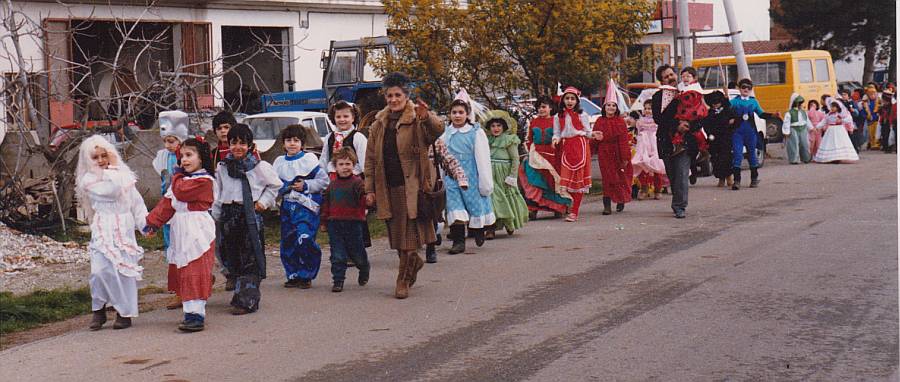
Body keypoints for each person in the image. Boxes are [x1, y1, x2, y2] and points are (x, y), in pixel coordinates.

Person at [364, 72, 444, 299]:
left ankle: (403, 280)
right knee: (399, 238)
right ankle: (413, 264)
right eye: (389, 95)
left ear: (406, 95)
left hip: (413, 187)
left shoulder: (416, 117)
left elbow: (437, 130)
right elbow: (370, 159)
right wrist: (369, 189)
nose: (393, 99)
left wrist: (427, 116)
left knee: (409, 237)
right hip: (388, 188)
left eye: (397, 95)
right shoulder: (379, 123)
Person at [144, 137, 217, 332]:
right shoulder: (180, 181)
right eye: (181, 156)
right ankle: (189, 310)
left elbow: (181, 193)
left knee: (196, 267)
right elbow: (167, 204)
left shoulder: (204, 180)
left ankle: (196, 314)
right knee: (184, 269)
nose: (184, 160)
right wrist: (152, 223)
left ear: (201, 158)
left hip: (197, 228)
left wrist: (175, 176)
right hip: (180, 227)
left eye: (189, 155)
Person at [76, 135, 148, 330]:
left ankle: (124, 312)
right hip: (103, 227)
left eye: (104, 155)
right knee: (99, 270)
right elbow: (113, 190)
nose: (100, 161)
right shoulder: (89, 180)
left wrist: (146, 224)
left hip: (123, 227)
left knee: (123, 272)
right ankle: (98, 308)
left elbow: (136, 201)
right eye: (95, 157)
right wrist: (115, 169)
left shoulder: (123, 176)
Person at [212, 124, 281, 314]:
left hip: (249, 215)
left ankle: (246, 300)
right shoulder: (223, 167)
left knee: (250, 258)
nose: (238, 147)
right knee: (231, 255)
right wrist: (215, 217)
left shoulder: (259, 167)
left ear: (250, 145)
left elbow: (275, 185)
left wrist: (264, 202)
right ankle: (239, 290)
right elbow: (218, 192)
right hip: (228, 215)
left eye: (243, 143)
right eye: (234, 143)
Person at [273, 125, 329, 289]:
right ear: (283, 143)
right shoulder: (279, 162)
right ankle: (293, 273)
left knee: (304, 237)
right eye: (288, 140)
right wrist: (283, 187)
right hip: (287, 208)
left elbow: (323, 181)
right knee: (288, 241)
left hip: (306, 208)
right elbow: (273, 185)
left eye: (296, 140)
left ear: (302, 143)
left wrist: (306, 185)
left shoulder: (309, 160)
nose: (292, 144)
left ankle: (307, 273)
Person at [441, 96, 495, 254]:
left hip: (471, 174)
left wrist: (484, 181)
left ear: (467, 114)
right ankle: (458, 241)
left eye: (460, 112)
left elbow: (482, 157)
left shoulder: (475, 133)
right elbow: (441, 154)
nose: (457, 115)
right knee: (454, 206)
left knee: (474, 204)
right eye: (454, 112)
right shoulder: (446, 133)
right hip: (452, 176)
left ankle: (478, 230)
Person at [320, 147, 370, 293]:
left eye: (348, 164)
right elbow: (326, 205)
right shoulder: (332, 185)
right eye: (341, 164)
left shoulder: (357, 182)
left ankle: (364, 267)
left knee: (357, 253)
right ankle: (338, 280)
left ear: (353, 165)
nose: (345, 167)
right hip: (334, 224)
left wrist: (368, 200)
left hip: (353, 223)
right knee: (337, 254)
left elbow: (364, 198)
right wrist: (323, 222)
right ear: (335, 167)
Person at [520, 96, 571, 218]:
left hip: (552, 156)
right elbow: (530, 139)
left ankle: (557, 207)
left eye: (543, 107)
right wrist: (530, 151)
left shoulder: (556, 121)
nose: (541, 109)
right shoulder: (534, 122)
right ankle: (533, 208)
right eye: (539, 107)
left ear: (550, 108)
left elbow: (561, 137)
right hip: (536, 156)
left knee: (552, 182)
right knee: (535, 182)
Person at [651, 64, 691, 218]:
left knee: (681, 173)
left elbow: (697, 112)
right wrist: (676, 125)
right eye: (666, 77)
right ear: (662, 81)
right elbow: (658, 119)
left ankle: (679, 206)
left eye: (671, 74)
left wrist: (686, 125)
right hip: (666, 140)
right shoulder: (658, 97)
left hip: (685, 140)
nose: (670, 78)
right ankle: (678, 199)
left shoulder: (687, 91)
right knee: (673, 174)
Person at [483, 110, 528, 238]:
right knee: (493, 198)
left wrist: (512, 176)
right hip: (490, 173)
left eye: (499, 126)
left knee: (507, 198)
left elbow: (515, 159)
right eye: (493, 126)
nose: (496, 128)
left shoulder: (509, 140)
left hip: (504, 173)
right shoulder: (487, 140)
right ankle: (491, 228)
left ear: (504, 127)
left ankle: (510, 222)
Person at [552, 86, 594, 222]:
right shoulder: (559, 116)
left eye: (572, 99)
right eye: (567, 98)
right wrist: (555, 139)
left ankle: (574, 211)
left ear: (577, 101)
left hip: (580, 146)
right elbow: (557, 132)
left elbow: (587, 132)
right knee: (567, 179)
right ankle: (571, 207)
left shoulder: (582, 115)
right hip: (567, 146)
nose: (569, 101)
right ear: (563, 100)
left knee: (578, 181)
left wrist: (594, 135)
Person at [592, 82, 633, 215]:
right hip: (604, 153)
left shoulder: (620, 121)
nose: (610, 107)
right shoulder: (599, 121)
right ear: (604, 107)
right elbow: (594, 138)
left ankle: (620, 200)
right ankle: (607, 204)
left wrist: (625, 157)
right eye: (608, 105)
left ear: (617, 107)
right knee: (607, 178)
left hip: (617, 152)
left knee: (619, 177)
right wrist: (591, 149)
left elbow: (623, 140)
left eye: (613, 105)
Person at [729, 78, 768, 190]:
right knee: (737, 155)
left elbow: (761, 114)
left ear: (751, 90)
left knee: (752, 155)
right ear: (739, 88)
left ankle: (754, 179)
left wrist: (773, 115)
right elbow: (726, 111)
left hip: (751, 133)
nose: (746, 89)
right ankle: (736, 181)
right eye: (743, 87)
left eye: (748, 88)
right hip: (737, 133)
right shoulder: (734, 102)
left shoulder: (753, 101)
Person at [321, 101, 368, 177]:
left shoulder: (358, 137)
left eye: (346, 116)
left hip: (353, 179)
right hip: (333, 180)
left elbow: (365, 162)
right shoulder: (329, 137)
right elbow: (323, 161)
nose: (342, 120)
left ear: (353, 118)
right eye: (338, 117)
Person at [701, 91, 737, 187]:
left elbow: (734, 120)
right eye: (714, 103)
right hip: (714, 139)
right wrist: (709, 134)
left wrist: (731, 123)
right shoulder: (709, 113)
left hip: (725, 137)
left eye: (717, 102)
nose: (716, 105)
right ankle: (721, 178)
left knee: (726, 157)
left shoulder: (727, 110)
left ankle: (729, 176)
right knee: (716, 159)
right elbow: (706, 125)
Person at [632, 101, 667, 199]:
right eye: (646, 108)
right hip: (643, 147)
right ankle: (644, 188)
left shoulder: (657, 120)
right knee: (643, 166)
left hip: (655, 145)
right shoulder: (640, 121)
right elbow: (638, 133)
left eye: (650, 108)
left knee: (656, 166)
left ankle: (657, 189)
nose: (647, 111)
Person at [813, 98, 859, 163]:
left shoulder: (840, 114)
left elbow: (849, 119)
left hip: (839, 129)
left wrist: (842, 120)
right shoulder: (828, 114)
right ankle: (831, 158)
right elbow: (824, 122)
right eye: (831, 107)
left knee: (839, 143)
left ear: (837, 107)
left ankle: (838, 157)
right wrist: (817, 127)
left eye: (834, 107)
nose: (832, 108)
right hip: (831, 130)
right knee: (830, 143)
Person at [781, 93, 813, 164]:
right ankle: (794, 159)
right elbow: (786, 122)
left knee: (805, 143)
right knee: (793, 144)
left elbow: (807, 120)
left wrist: (811, 128)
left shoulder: (803, 112)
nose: (800, 104)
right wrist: (786, 132)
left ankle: (806, 158)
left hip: (803, 128)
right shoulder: (789, 113)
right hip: (793, 129)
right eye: (798, 103)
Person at [862, 85, 882, 150]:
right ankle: (872, 143)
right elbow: (863, 111)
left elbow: (880, 109)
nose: (872, 96)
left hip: (876, 119)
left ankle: (877, 144)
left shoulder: (879, 101)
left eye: (874, 94)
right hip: (869, 120)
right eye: (871, 95)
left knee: (877, 132)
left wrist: (878, 115)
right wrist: (865, 116)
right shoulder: (865, 102)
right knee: (870, 133)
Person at [879, 88, 896, 153]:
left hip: (889, 122)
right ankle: (885, 146)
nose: (883, 102)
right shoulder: (883, 107)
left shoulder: (890, 107)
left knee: (888, 135)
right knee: (884, 134)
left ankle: (888, 148)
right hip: (884, 122)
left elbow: (890, 115)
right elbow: (881, 115)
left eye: (884, 101)